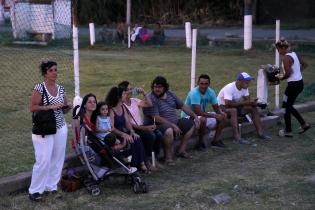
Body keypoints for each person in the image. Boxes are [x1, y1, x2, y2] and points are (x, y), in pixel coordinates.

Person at [29, 61, 71, 201]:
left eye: (56, 70)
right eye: (51, 70)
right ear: (45, 72)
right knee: (44, 159)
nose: (55, 72)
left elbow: (63, 109)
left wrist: (67, 107)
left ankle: (51, 187)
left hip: (60, 127)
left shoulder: (61, 88)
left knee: (58, 158)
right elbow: (33, 108)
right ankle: (35, 191)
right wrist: (50, 107)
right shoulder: (39, 87)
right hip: (44, 129)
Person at [143, 76, 200, 166]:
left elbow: (182, 106)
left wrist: (195, 116)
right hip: (157, 124)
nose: (157, 89)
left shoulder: (171, 94)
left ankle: (181, 150)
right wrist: (173, 125)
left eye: (159, 87)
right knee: (169, 131)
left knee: (190, 123)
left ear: (165, 87)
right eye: (155, 87)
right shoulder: (151, 98)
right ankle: (168, 158)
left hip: (174, 121)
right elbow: (156, 118)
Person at [181, 74, 248, 149]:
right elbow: (198, 112)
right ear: (198, 83)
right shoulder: (194, 93)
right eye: (201, 84)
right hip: (188, 117)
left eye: (206, 84)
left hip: (201, 115)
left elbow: (216, 107)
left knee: (223, 116)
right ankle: (200, 143)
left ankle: (216, 141)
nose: (203, 86)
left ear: (209, 84)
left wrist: (221, 114)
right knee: (203, 119)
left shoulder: (210, 92)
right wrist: (215, 116)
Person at [119, 81, 164, 171]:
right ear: (123, 92)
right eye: (129, 89)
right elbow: (129, 123)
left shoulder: (134, 101)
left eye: (132, 88)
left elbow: (149, 104)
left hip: (141, 126)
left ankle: (154, 159)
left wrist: (144, 93)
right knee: (150, 135)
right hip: (134, 129)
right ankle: (146, 161)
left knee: (158, 134)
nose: (131, 91)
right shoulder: (122, 105)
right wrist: (145, 128)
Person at [217, 72, 272, 140]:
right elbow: (227, 104)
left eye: (249, 81)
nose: (248, 84)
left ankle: (261, 133)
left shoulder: (244, 88)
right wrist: (245, 102)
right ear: (239, 81)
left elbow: (248, 101)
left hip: (234, 106)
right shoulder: (230, 87)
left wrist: (257, 104)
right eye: (246, 82)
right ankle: (237, 137)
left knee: (253, 108)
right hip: (222, 107)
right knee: (234, 111)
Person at [105, 87, 148, 172]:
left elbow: (127, 122)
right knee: (129, 140)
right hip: (116, 134)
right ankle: (132, 165)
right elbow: (111, 128)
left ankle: (141, 163)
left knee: (136, 138)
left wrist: (132, 131)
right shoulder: (111, 110)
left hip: (125, 131)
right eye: (124, 94)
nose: (126, 95)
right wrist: (124, 134)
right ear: (118, 97)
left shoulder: (123, 107)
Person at [275, 38, 310, 137]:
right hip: (299, 83)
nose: (278, 52)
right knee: (286, 105)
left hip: (293, 85)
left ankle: (289, 131)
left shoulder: (286, 58)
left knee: (287, 107)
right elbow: (305, 64)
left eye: (278, 49)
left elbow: (289, 73)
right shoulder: (295, 54)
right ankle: (303, 125)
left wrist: (281, 78)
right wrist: (297, 73)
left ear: (282, 48)